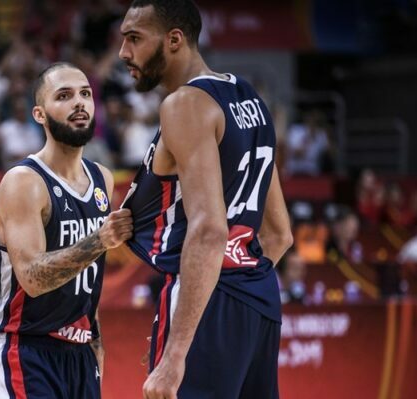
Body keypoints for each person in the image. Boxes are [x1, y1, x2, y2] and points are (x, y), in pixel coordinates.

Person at [118, 1, 293, 398]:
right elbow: (279, 234)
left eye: (134, 39)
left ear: (174, 40)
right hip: (259, 295)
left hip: (208, 295)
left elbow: (210, 229)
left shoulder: (184, 104)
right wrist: (237, 284)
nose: (123, 53)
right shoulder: (250, 98)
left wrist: (177, 350)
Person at [0, 62, 133, 399]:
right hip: (25, 349)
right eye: (63, 96)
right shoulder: (24, 182)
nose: (79, 103)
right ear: (39, 114)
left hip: (79, 353)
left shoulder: (102, 179)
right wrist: (100, 239)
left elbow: (91, 275)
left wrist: (95, 341)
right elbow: (32, 279)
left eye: (85, 94)